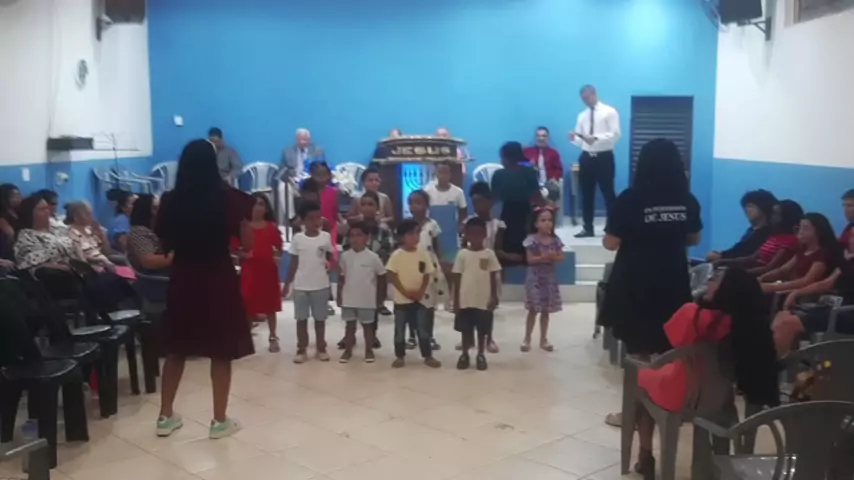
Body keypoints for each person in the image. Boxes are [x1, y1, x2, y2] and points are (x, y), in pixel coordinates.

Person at [633, 268, 780, 479]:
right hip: (719, 396)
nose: (710, 281)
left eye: (715, 278)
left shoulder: (694, 314)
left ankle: (645, 455)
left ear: (725, 289)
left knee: (640, 379)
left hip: (684, 390)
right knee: (716, 407)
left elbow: (674, 342)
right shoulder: (749, 326)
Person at [154, 139, 256, 440]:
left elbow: (163, 240)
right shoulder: (229, 198)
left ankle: (165, 416)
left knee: (177, 348)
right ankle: (219, 420)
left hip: (183, 278)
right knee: (220, 350)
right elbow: (247, 242)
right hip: (218, 278)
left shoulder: (171, 200)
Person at [600, 138, 702, 427]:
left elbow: (611, 242)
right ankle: (666, 411)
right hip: (673, 284)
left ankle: (634, 415)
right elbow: (694, 238)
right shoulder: (687, 200)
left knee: (637, 354)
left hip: (635, 285)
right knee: (669, 351)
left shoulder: (630, 199)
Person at [337, 191, 393, 350]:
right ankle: (349, 336)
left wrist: (373, 262)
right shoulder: (353, 228)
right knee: (351, 304)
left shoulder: (383, 229)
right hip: (354, 273)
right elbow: (346, 247)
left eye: (371, 204)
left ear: (377, 208)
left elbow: (388, 249)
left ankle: (372, 335)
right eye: (363, 204)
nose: (367, 207)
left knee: (371, 306)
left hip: (373, 274)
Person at [282, 201, 335, 364]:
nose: (315, 221)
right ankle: (301, 349)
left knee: (320, 319)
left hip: (321, 285)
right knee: (301, 319)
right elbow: (294, 263)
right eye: (311, 218)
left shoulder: (325, 237)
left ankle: (321, 348)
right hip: (301, 286)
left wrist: (336, 269)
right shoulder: (298, 238)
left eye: (318, 217)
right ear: (303, 220)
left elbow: (330, 257)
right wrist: (287, 283)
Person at [772, 251, 854, 354]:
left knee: (786, 324)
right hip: (838, 309)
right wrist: (796, 293)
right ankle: (782, 357)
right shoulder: (849, 261)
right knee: (781, 316)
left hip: (847, 314)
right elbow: (825, 284)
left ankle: (774, 362)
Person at [386, 218, 442, 369]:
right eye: (411, 234)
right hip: (401, 300)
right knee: (400, 330)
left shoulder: (423, 254)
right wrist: (404, 291)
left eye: (417, 233)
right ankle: (400, 356)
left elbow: (427, 274)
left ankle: (428, 356)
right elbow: (391, 275)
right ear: (401, 237)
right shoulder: (397, 255)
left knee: (423, 330)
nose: (415, 237)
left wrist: (421, 291)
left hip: (420, 299)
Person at [458, 182, 506, 353]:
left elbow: (498, 250)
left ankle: (489, 338)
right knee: (468, 306)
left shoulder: (498, 224)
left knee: (487, 308)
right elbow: (463, 246)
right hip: (470, 271)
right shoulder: (468, 222)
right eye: (475, 203)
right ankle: (468, 338)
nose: (478, 206)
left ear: (490, 202)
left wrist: (501, 270)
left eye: (482, 202)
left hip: (489, 270)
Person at [569, 85, 621, 238]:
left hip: (604, 156)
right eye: (583, 99)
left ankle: (612, 227)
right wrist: (575, 138)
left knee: (608, 193)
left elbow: (615, 134)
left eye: (587, 97)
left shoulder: (609, 112)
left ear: (594, 94)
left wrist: (596, 138)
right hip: (586, 156)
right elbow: (580, 138)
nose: (585, 101)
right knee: (586, 194)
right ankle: (588, 227)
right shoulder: (582, 115)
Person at [236, 193, 283, 353]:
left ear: (266, 208)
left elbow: (279, 246)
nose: (257, 207)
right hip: (250, 269)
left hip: (268, 270)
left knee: (270, 304)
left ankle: (273, 336)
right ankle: (246, 337)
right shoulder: (243, 227)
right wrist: (243, 254)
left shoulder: (271, 227)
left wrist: (277, 257)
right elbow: (235, 247)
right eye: (254, 204)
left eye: (261, 204)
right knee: (247, 301)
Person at [453, 217, 501, 371]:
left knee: (482, 330)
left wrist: (494, 296)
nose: (475, 238)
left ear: (485, 234)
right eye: (472, 234)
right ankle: (465, 354)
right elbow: (457, 277)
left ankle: (481, 354)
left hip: (483, 301)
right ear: (466, 234)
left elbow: (493, 276)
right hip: (465, 300)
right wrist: (456, 300)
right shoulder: (462, 255)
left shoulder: (489, 254)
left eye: (479, 234)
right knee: (465, 330)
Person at [337, 221, 386, 364]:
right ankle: (348, 351)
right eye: (352, 235)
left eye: (359, 235)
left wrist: (380, 297)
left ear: (367, 237)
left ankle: (369, 350)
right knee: (349, 326)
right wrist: (339, 295)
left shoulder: (373, 257)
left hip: (367, 299)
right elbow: (342, 277)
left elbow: (381, 276)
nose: (355, 239)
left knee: (367, 327)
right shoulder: (345, 256)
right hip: (349, 298)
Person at [759, 212, 842, 294]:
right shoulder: (802, 249)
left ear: (819, 232)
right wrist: (761, 278)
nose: (800, 232)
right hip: (790, 287)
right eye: (799, 228)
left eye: (805, 229)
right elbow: (783, 270)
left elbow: (806, 281)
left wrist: (773, 287)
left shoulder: (822, 254)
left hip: (808, 294)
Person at [717, 199, 802, 276]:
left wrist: (739, 274)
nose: (772, 217)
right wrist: (723, 262)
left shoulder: (789, 241)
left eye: (776, 215)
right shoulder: (773, 236)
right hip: (754, 272)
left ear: (786, 217)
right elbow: (751, 258)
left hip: (765, 276)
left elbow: (770, 268)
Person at [490, 142, 542, 268]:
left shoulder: (499, 175)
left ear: (508, 158)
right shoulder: (529, 172)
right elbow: (537, 196)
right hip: (522, 213)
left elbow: (493, 198)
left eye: (502, 157)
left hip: (514, 214)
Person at [425, 160, 467, 311]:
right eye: (440, 172)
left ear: (450, 174)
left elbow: (463, 213)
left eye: (446, 172)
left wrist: (461, 227)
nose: (443, 175)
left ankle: (451, 300)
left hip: (450, 236)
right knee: (432, 269)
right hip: (432, 236)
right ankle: (432, 301)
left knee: (450, 271)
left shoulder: (458, 192)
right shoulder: (428, 191)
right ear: (436, 174)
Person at [522, 207, 565, 352]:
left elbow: (561, 257)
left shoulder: (555, 240)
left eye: (550, 220)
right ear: (536, 223)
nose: (547, 223)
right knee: (533, 310)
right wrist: (544, 257)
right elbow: (530, 260)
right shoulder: (531, 240)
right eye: (543, 220)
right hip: (535, 279)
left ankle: (543, 339)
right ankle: (527, 338)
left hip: (549, 279)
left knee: (545, 310)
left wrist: (554, 257)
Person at [408, 190, 445, 350]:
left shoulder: (432, 225)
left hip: (429, 269)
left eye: (419, 202)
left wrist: (439, 266)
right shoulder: (407, 225)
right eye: (411, 202)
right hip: (411, 268)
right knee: (411, 304)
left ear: (427, 205)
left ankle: (429, 335)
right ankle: (412, 335)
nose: (415, 206)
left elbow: (437, 247)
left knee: (428, 305)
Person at [706, 189, 777, 261]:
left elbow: (743, 253)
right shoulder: (751, 230)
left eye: (751, 206)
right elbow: (738, 250)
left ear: (764, 208)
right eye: (745, 206)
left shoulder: (766, 233)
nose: (746, 209)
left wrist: (721, 256)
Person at [309, 160, 341, 316]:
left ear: (329, 176)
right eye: (317, 175)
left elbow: (337, 213)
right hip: (313, 230)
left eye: (324, 174)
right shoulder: (309, 194)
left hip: (330, 232)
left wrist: (342, 224)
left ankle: (326, 298)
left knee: (327, 263)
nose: (321, 178)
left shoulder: (334, 193)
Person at [127, 194, 172, 274]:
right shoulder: (138, 231)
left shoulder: (157, 228)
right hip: (155, 276)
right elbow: (148, 261)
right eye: (155, 208)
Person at [64, 201, 113, 269]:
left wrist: (102, 236)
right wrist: (99, 260)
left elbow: (107, 252)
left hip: (105, 263)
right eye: (88, 214)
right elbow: (77, 256)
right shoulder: (70, 233)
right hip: (90, 267)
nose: (91, 217)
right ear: (76, 217)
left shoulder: (91, 230)